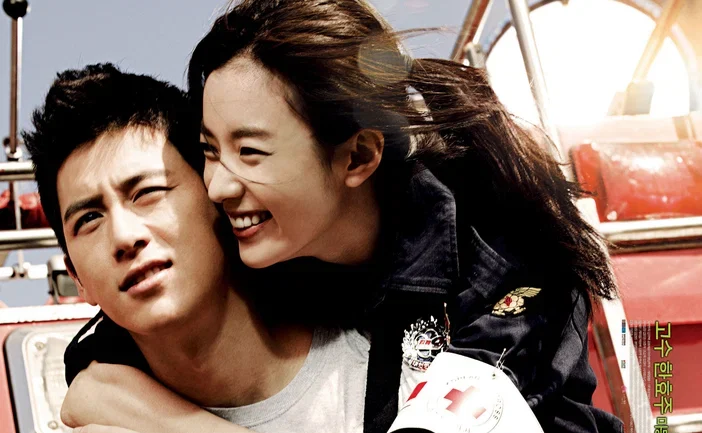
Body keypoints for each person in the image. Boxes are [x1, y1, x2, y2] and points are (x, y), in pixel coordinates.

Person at [57, 0, 624, 431]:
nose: (219, 186)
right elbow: (95, 374)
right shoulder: (264, 239)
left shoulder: (497, 268)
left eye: (250, 152)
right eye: (210, 150)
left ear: (356, 157)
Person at [25, 63, 373, 433]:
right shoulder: (98, 407)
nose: (125, 236)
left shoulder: (384, 362)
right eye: (89, 219)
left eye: (147, 193)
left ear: (218, 198)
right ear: (77, 278)